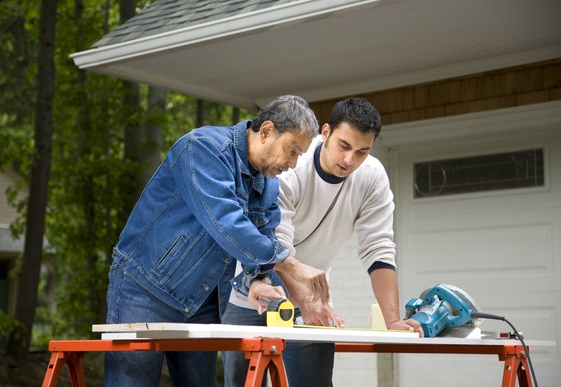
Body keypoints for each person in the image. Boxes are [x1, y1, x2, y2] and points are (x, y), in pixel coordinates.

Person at [104, 95, 332, 387]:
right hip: (145, 287)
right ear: (266, 131)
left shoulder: (267, 183)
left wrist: (258, 279)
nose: (293, 163)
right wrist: (293, 266)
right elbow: (226, 222)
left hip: (201, 298)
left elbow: (263, 236)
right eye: (292, 150)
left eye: (300, 154)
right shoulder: (202, 149)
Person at [222, 97, 423, 387]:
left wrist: (393, 321)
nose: (349, 160)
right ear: (325, 132)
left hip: (311, 300)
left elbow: (379, 249)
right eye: (344, 146)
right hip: (250, 294)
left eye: (362, 152)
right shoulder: (290, 167)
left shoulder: (372, 177)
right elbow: (275, 246)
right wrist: (304, 300)